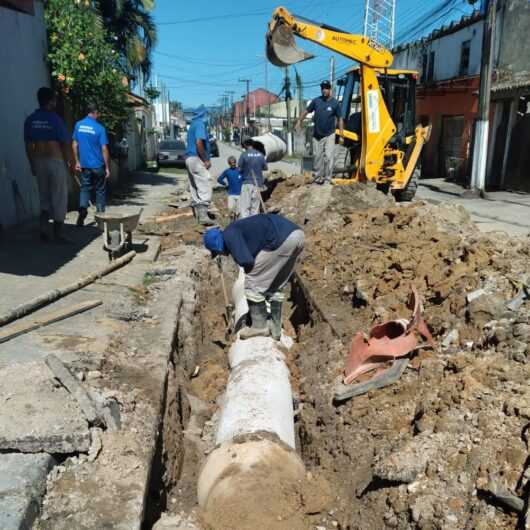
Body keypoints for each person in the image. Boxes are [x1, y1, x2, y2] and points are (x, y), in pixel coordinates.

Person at [203, 214, 304, 340]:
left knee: (252, 283)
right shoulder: (235, 230)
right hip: (297, 235)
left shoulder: (229, 235)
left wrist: (254, 304)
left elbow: (247, 262)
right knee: (276, 285)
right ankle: (276, 328)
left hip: (280, 240)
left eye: (218, 252)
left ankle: (259, 326)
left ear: (218, 245)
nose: (222, 254)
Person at [24, 87, 71, 242]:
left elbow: (28, 145)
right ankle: (58, 232)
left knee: (44, 197)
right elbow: (64, 143)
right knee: (59, 197)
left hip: (38, 161)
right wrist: (69, 162)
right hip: (55, 161)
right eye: (54, 100)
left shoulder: (30, 120)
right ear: (51, 101)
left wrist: (32, 164)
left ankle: (44, 228)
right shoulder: (55, 119)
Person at [295, 80, 343, 185]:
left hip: (330, 134)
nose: (324, 90)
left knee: (329, 156)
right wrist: (299, 121)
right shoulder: (316, 101)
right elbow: (306, 111)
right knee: (317, 157)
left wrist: (341, 134)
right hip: (317, 135)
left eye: (326, 88)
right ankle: (318, 177)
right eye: (322, 88)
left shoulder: (335, 103)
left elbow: (340, 118)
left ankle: (328, 178)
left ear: (329, 89)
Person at [72, 103, 110, 226]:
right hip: (98, 165)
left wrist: (77, 161)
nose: (98, 115)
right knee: (100, 190)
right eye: (97, 113)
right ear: (94, 112)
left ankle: (83, 210)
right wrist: (107, 167)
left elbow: (74, 144)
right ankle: (100, 217)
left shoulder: (78, 125)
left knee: (84, 188)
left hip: (85, 165)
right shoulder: (100, 128)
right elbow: (104, 149)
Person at [185, 105, 214, 226]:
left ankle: (198, 215)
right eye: (207, 114)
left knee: (195, 186)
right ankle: (203, 216)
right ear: (203, 114)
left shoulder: (192, 124)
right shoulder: (200, 124)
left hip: (189, 159)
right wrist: (206, 159)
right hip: (196, 158)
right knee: (205, 183)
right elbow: (199, 143)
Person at [238, 139, 268, 218]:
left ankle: (245, 225)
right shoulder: (260, 155)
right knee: (255, 208)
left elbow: (239, 169)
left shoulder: (244, 154)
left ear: (245, 145)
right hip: (258, 184)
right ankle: (254, 225)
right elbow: (265, 168)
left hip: (247, 183)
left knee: (245, 207)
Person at [217, 156, 242, 221]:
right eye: (231, 163)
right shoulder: (227, 171)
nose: (233, 164)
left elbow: (245, 179)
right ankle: (232, 223)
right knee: (231, 210)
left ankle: (239, 223)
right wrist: (225, 184)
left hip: (240, 194)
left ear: (236, 162)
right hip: (231, 194)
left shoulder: (240, 170)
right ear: (229, 163)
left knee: (239, 211)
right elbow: (219, 179)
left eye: (234, 162)